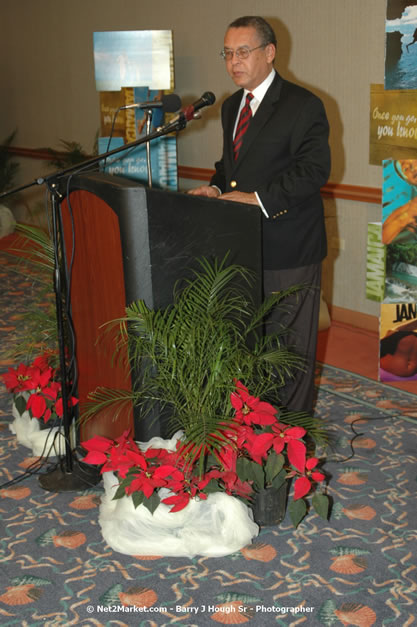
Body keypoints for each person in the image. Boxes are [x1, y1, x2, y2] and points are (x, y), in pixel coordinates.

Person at [189, 16, 331, 414]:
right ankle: (257, 435)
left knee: (290, 349)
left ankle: (291, 441)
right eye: (228, 53)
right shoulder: (232, 105)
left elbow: (314, 170)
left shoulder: (304, 105)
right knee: (253, 342)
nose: (234, 61)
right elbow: (229, 168)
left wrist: (256, 200)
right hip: (243, 245)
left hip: (290, 246)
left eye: (243, 52)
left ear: (269, 53)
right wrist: (216, 187)